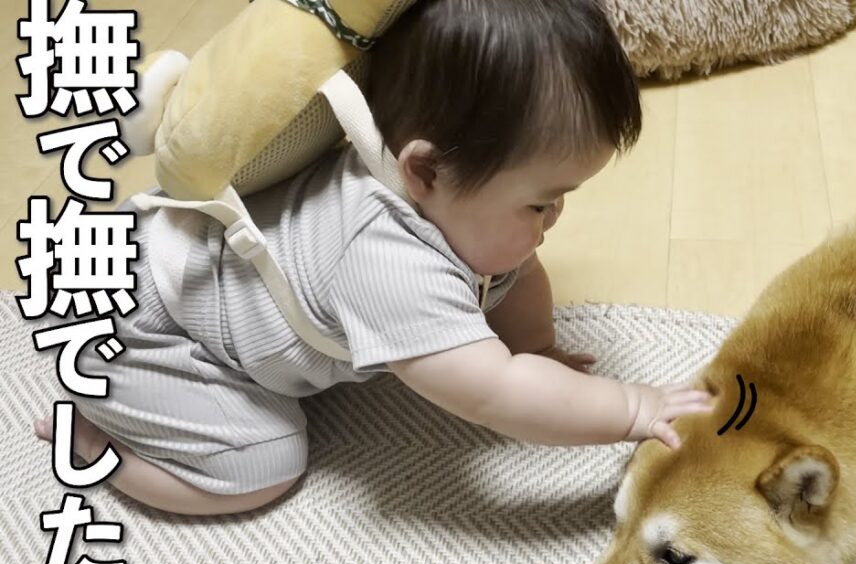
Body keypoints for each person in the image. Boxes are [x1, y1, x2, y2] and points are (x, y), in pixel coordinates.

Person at [34, 0, 712, 516]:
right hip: (139, 324)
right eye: (540, 203)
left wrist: (536, 348)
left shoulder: (447, 204)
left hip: (170, 266)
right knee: (261, 468)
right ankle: (98, 442)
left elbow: (516, 281)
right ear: (425, 170)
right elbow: (492, 392)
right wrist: (628, 408)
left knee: (509, 259)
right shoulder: (384, 257)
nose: (555, 218)